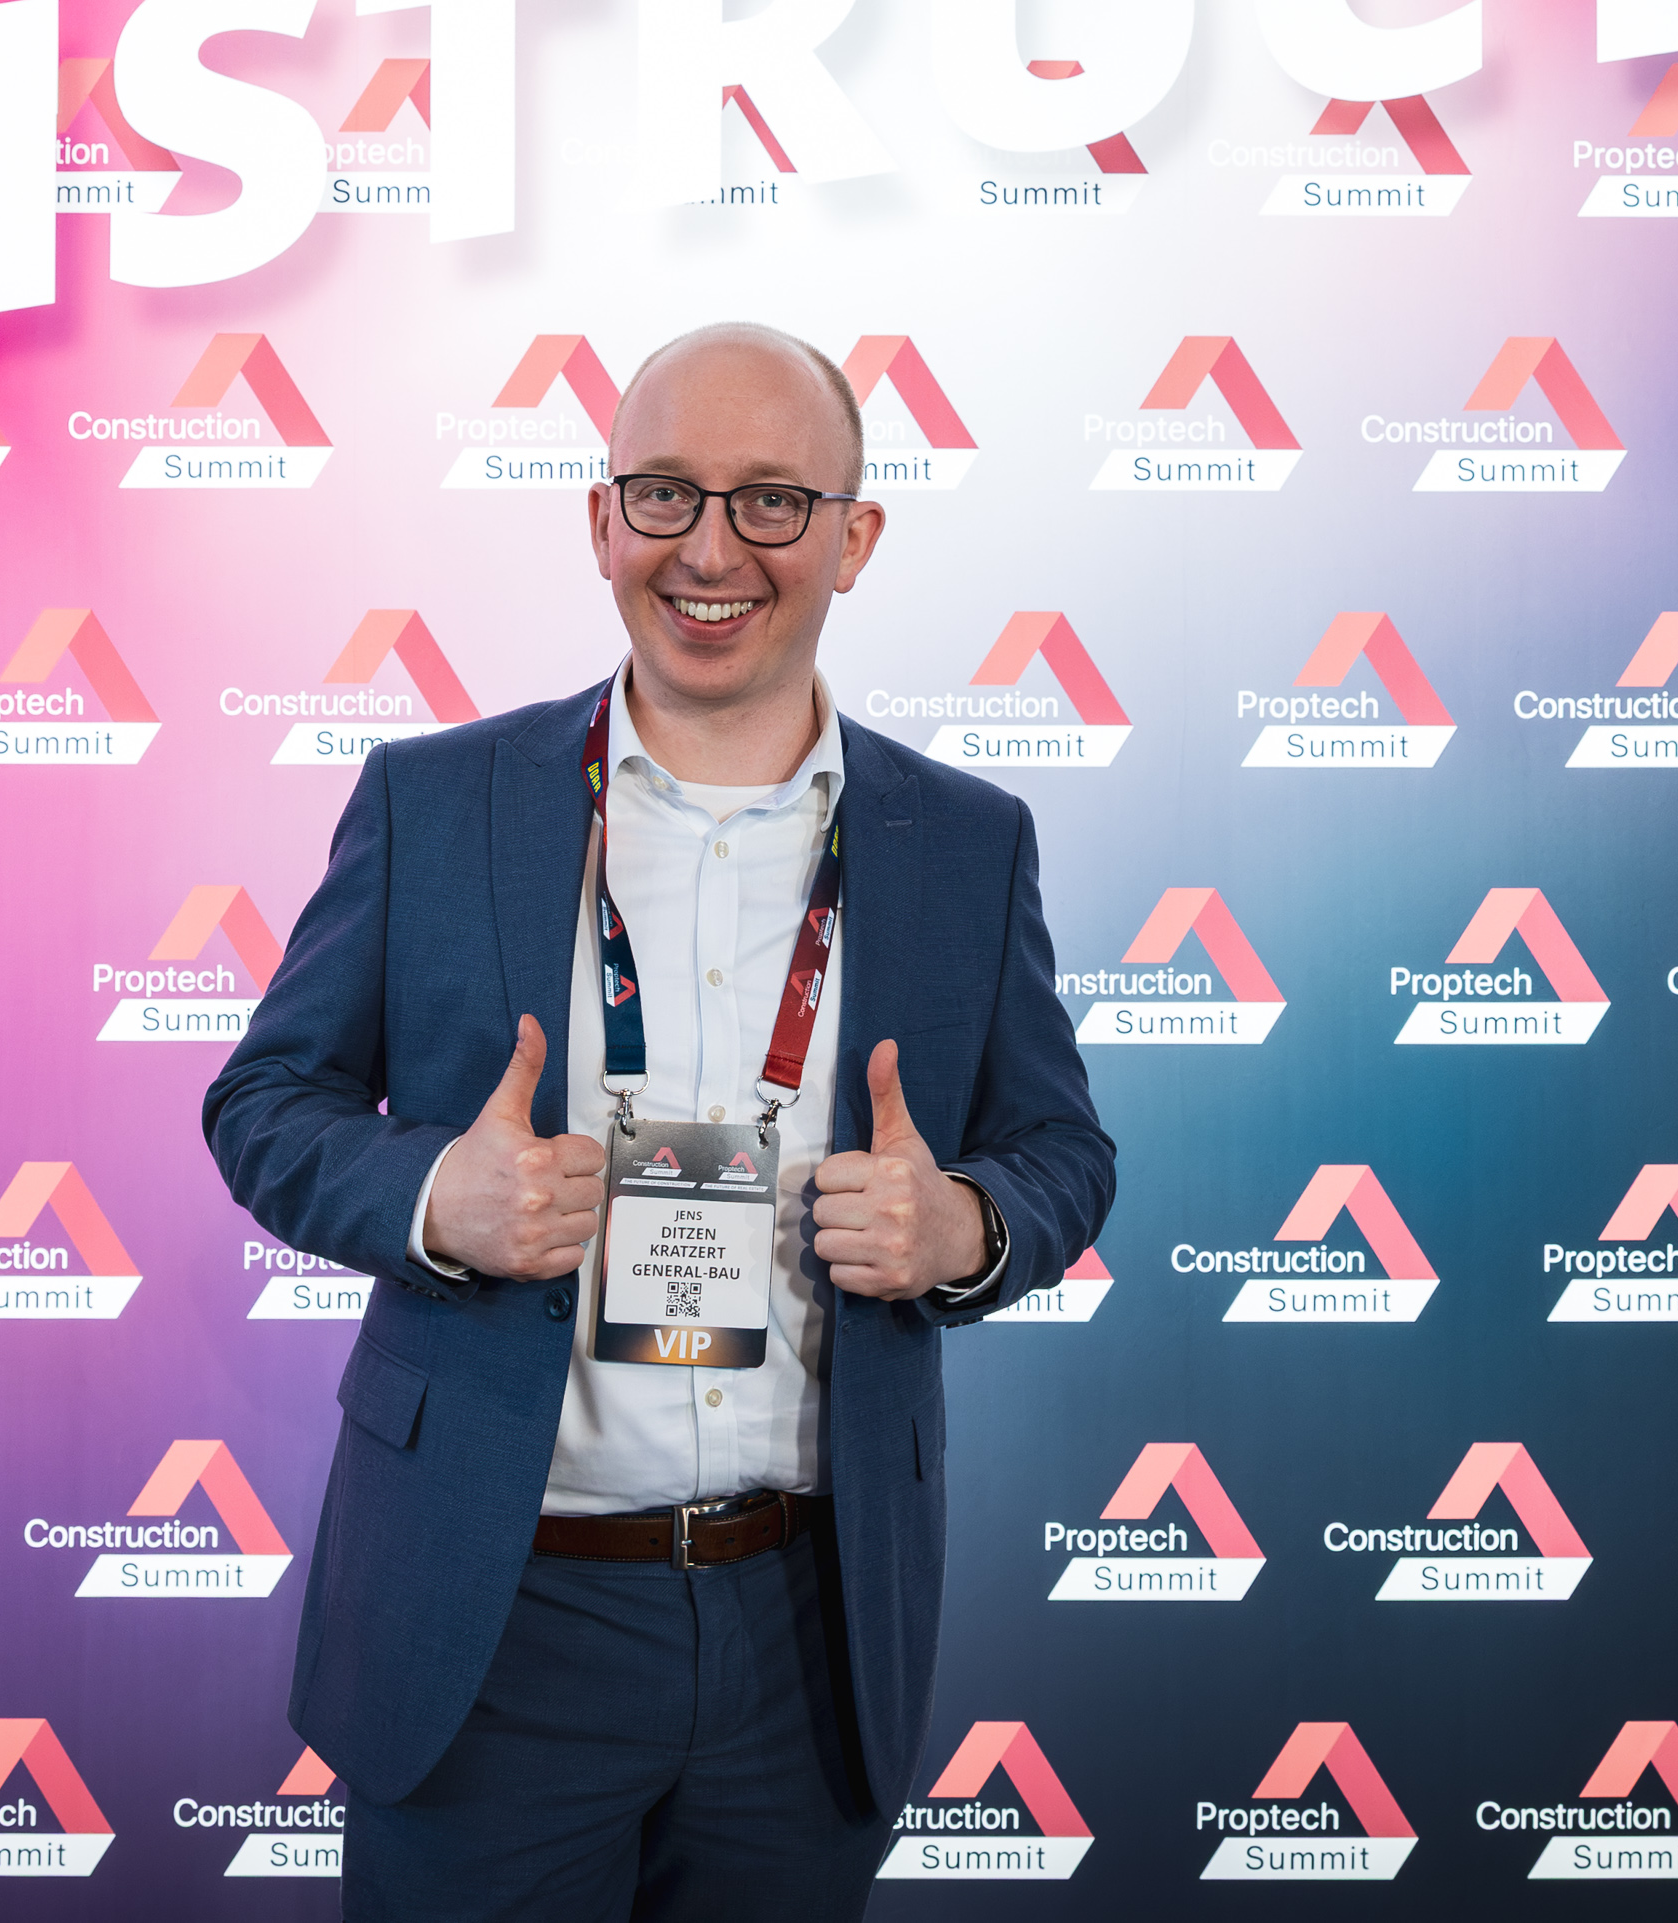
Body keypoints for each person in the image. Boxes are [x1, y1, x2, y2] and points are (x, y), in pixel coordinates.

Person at [203, 322, 1114, 1921]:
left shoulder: (967, 841)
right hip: (494, 1614)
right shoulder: (437, 800)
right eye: (667, 493)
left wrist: (962, 1229)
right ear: (602, 520)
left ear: (855, 539)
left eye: (773, 501)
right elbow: (264, 1103)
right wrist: (434, 1197)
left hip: (810, 1630)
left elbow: (1062, 1155)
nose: (710, 550)